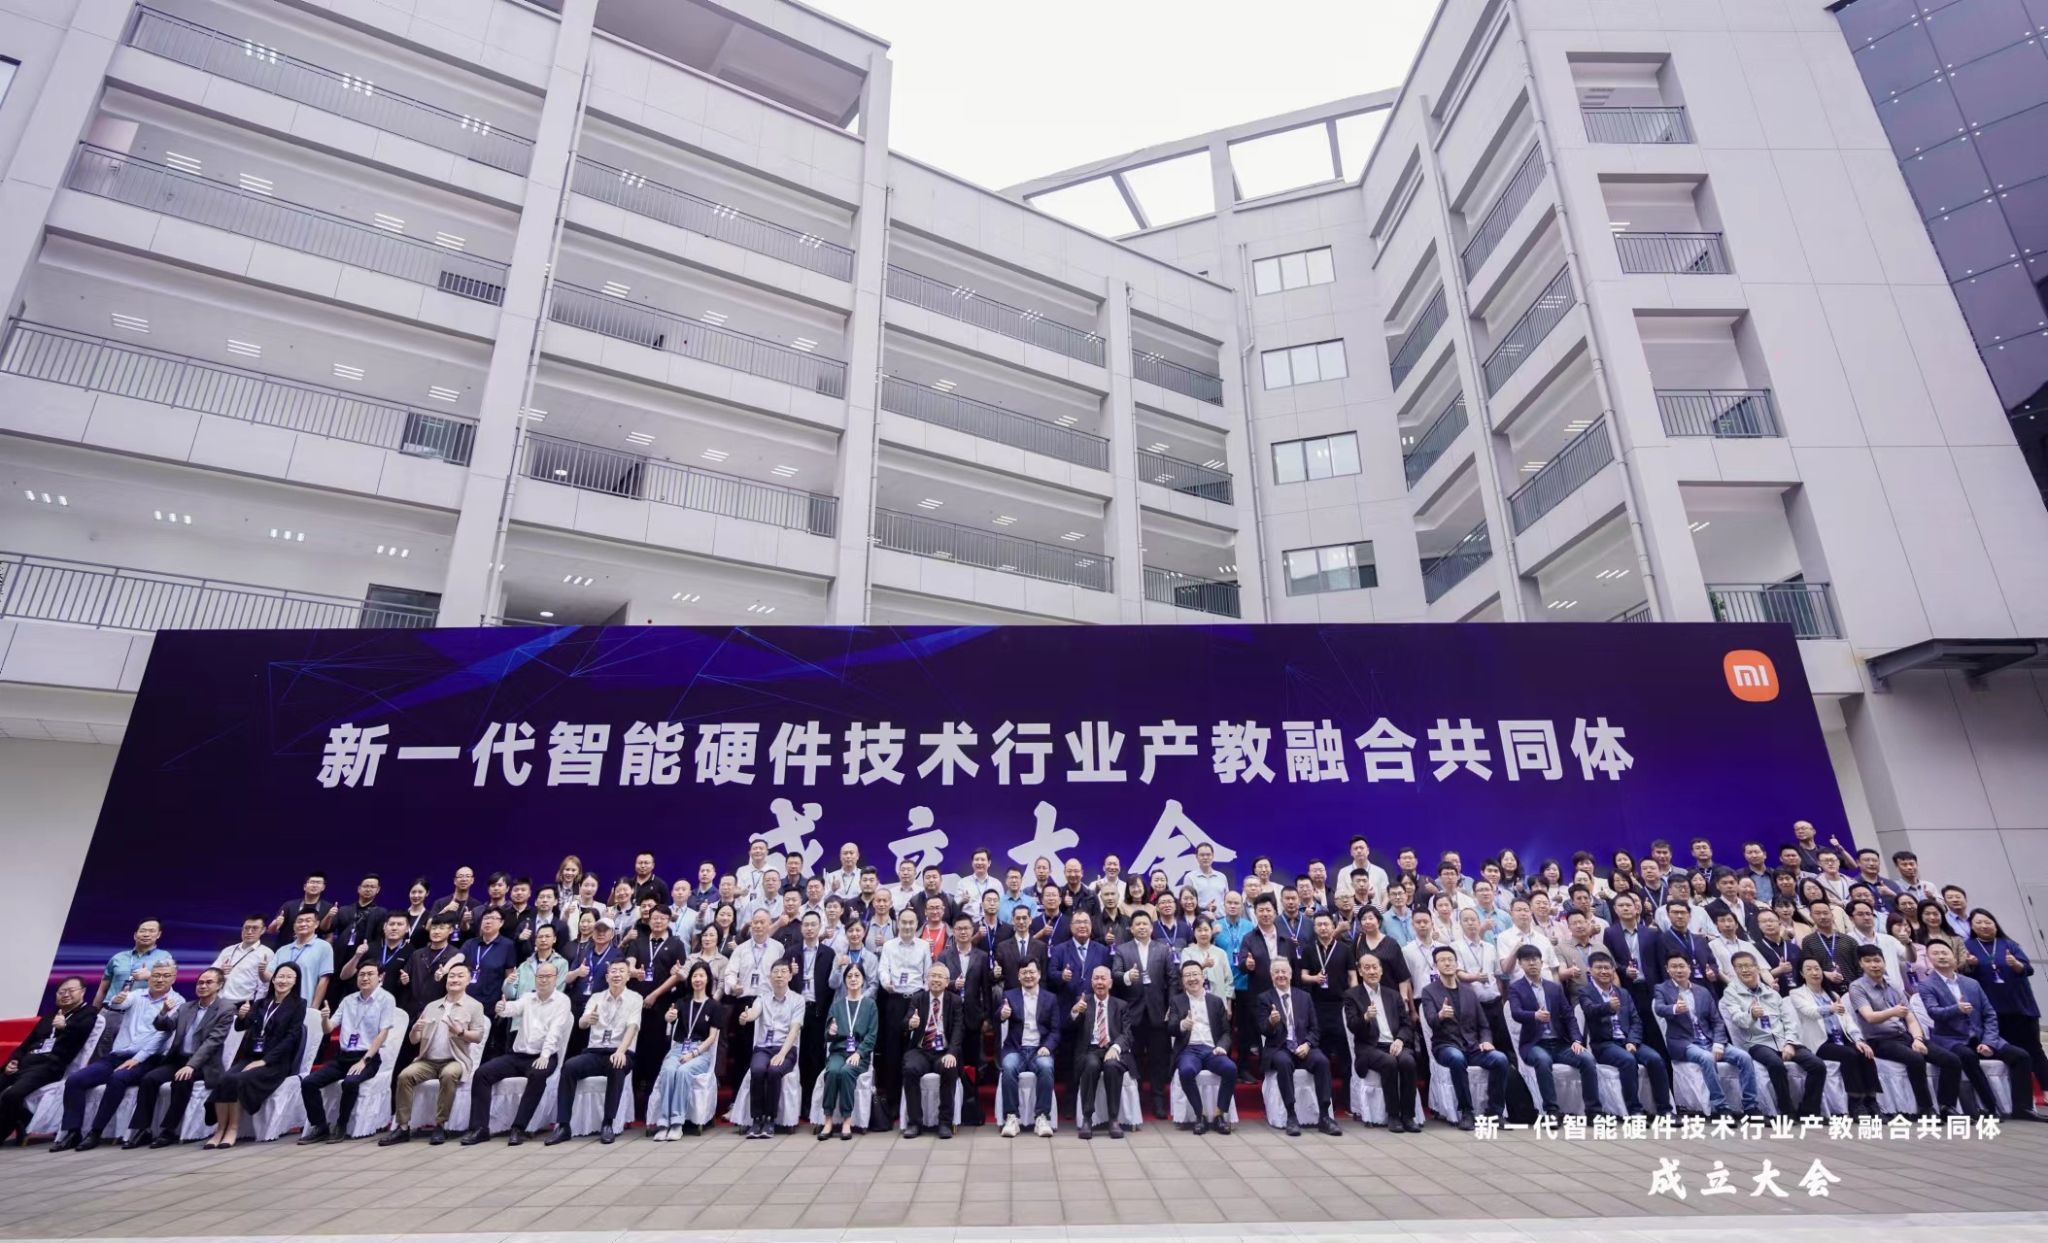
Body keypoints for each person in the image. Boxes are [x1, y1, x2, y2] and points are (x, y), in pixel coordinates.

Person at [51, 958, 182, 1151]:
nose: (160, 979)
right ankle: (72, 1132)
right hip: (117, 1055)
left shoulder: (177, 1002)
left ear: (174, 978)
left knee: (117, 1078)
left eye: (166, 976)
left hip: (147, 1058)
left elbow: (162, 1036)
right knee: (75, 1080)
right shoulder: (137, 995)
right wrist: (116, 1000)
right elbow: (120, 1003)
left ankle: (96, 1132)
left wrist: (137, 1059)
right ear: (149, 977)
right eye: (156, 975)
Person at [1919, 939, 2045, 1122]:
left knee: (2021, 1056)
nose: (1941, 956)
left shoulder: (1972, 983)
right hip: (1952, 1039)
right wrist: (1957, 1009)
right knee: (1968, 1056)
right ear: (1929, 959)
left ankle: (2023, 1107)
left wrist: (1989, 1042)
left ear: (1954, 957)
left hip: (1981, 1036)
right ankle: (1990, 1107)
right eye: (1935, 953)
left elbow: (1989, 1014)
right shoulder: (1927, 985)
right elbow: (1933, 1012)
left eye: (1944, 952)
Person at [383, 961, 487, 1146]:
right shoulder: (432, 1006)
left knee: (448, 1074)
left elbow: (478, 1036)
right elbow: (414, 1040)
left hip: (455, 1060)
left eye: (460, 976)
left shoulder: (474, 1006)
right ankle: (403, 1127)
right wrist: (415, 1029)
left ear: (469, 980)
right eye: (451, 976)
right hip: (428, 1061)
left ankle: (440, 1125)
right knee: (405, 1076)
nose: (454, 979)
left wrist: (461, 1032)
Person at [207, 962, 307, 1150]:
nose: (283, 981)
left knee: (238, 1080)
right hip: (252, 1057)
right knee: (224, 1079)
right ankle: (220, 1129)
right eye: (280, 976)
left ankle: (233, 1129)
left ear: (295, 982)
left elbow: (292, 1038)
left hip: (275, 1063)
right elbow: (241, 1027)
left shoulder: (298, 1005)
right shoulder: (261, 1003)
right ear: (273, 979)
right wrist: (242, 1016)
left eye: (289, 977)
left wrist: (265, 1061)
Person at [543, 959, 640, 1145]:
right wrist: (588, 1018)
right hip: (595, 1052)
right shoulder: (596, 997)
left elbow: (633, 1027)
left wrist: (621, 1051)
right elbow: (581, 1023)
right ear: (607, 976)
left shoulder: (635, 998)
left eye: (621, 971)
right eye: (613, 971)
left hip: (620, 1052)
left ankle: (608, 1123)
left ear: (628, 976)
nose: (617, 974)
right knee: (569, 1067)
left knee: (616, 1065)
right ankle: (563, 1125)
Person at [298, 960, 396, 1143]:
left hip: (367, 1057)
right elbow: (329, 1029)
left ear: (380, 977)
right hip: (342, 1057)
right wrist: (324, 1019)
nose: (365, 978)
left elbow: (382, 1034)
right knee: (309, 1082)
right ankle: (320, 1126)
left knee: (350, 1082)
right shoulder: (348, 1000)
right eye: (361, 974)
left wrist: (364, 1061)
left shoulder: (386, 999)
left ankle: (341, 1125)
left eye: (370, 974)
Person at [1718, 950, 1824, 1118]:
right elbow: (1738, 1020)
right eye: (1739, 967)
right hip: (1757, 1042)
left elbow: (1789, 1022)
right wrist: (1751, 1015)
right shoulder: (1731, 993)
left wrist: (1790, 1043)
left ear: (1757, 968)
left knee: (1818, 1065)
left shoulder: (1772, 993)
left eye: (1748, 966)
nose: (1744, 970)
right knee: (1776, 1064)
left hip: (1783, 1041)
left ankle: (1808, 1111)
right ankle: (1787, 1110)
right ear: (1734, 970)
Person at [1961, 907, 2048, 1103]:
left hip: (2021, 1006)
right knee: (2007, 1052)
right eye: (1979, 923)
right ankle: (2018, 1094)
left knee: (2034, 1049)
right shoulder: (1968, 946)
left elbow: (2028, 969)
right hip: (1993, 1010)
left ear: (1995, 924)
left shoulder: (2008, 944)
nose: (1984, 926)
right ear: (1972, 927)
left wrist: (2016, 964)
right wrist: (1971, 965)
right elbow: (1964, 976)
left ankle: (2046, 1089)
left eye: (1988, 922)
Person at [1653, 953, 1756, 1118]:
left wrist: (1718, 1042)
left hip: (1709, 1040)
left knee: (1744, 1057)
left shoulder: (1702, 991)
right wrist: (1674, 1008)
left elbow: (1717, 1021)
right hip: (1683, 1043)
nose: (1678, 970)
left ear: (1689, 968)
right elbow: (1659, 1008)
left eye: (1682, 966)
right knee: (1707, 1058)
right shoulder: (1662, 989)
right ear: (1667, 969)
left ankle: (1751, 1106)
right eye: (1674, 967)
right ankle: (1721, 1107)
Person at [1418, 944, 1509, 1130]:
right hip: (1446, 1045)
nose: (1447, 963)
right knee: (1457, 1058)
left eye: (1450, 960)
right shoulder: (1429, 991)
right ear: (1436, 966)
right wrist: (1441, 1015)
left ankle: (1495, 1112)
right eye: (1442, 960)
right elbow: (1430, 1020)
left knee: (1500, 1059)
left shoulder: (1469, 991)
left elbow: (1483, 1025)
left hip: (1472, 1046)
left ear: (1456, 963)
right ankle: (1467, 1111)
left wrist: (1486, 1041)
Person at [1506, 943, 1601, 1120]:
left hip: (1560, 1044)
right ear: (1520, 964)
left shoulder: (1554, 988)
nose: (1532, 963)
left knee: (1587, 1059)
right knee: (1543, 1061)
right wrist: (1534, 1015)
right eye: (1527, 960)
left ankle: (1593, 1111)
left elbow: (1569, 1016)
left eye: (1535, 959)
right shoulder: (1516, 988)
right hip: (1534, 1045)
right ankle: (1552, 1111)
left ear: (1542, 963)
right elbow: (1516, 1013)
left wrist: (1576, 1040)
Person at [1849, 943, 1936, 1118]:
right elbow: (1869, 1017)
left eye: (1877, 960)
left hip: (1904, 1036)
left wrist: (1917, 1039)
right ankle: (1925, 1108)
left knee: (1950, 1060)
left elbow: (1910, 1018)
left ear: (1884, 962)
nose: (1874, 965)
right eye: (1868, 961)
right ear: (1861, 964)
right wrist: (1893, 1012)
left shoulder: (1894, 985)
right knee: (1915, 1059)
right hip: (1879, 1040)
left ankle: (1947, 1106)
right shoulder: (1857, 987)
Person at [1578, 951, 1668, 1119]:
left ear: (1613, 970)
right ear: (1590, 970)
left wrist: (1632, 1041)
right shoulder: (1585, 992)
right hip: (1604, 1044)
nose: (1604, 971)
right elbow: (1589, 1010)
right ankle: (1634, 1110)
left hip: (1628, 1041)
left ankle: (1665, 1110)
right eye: (1599, 968)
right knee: (1627, 1060)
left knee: (1655, 1059)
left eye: (1607, 968)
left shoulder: (1623, 993)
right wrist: (1608, 1007)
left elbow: (1636, 1021)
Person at [1258, 958, 1338, 1137]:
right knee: (1283, 1062)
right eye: (1276, 972)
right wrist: (1271, 1022)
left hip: (1303, 1046)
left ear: (1290, 974)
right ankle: (1291, 1115)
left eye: (1284, 971)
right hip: (1280, 1048)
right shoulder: (1264, 998)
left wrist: (1308, 1044)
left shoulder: (1304, 997)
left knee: (1322, 1061)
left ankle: (1324, 1116)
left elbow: (1315, 1029)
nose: (1281, 975)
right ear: (1271, 976)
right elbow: (1263, 1029)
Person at [1111, 910, 1176, 1119]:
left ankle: (1158, 1100)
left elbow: (1172, 979)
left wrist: (1171, 1006)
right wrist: (1127, 977)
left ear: (1151, 927)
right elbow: (1115, 975)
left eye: (1145, 924)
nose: (1141, 927)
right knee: (1135, 1057)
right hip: (1133, 1012)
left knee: (1158, 1058)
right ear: (1131, 928)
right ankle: (1136, 1099)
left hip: (1158, 1012)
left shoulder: (1163, 949)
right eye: (1137, 924)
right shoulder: (1122, 950)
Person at [1343, 953, 1418, 1133]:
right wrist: (1365, 1018)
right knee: (1389, 1062)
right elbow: (1352, 1026)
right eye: (1367, 968)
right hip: (1369, 1047)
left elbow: (1407, 1025)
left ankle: (1408, 1116)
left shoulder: (1393, 994)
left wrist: (1400, 1040)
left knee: (1408, 1061)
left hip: (1394, 1044)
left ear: (1381, 970)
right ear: (1360, 972)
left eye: (1375, 967)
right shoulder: (1352, 995)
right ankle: (1393, 1116)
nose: (1371, 971)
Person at [873, 909, 929, 1130]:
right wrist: (886, 982)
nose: (907, 926)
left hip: (916, 1000)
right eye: (903, 922)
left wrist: (922, 994)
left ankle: (913, 1103)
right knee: (892, 1052)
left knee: (914, 1050)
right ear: (898, 923)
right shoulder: (889, 946)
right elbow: (883, 970)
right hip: (895, 1000)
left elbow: (927, 973)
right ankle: (894, 1102)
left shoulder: (923, 946)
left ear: (916, 925)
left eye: (911, 923)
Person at [1065, 964, 1133, 1139]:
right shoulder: (1083, 1001)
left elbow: (1127, 1034)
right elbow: (1069, 1028)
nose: (1100, 982)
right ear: (1091, 982)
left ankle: (1113, 1119)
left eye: (1103, 978)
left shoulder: (1121, 1005)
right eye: (1096, 978)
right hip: (1090, 1050)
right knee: (1091, 1065)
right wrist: (1074, 1012)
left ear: (1110, 983)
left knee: (1112, 1066)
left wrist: (1115, 1047)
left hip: (1113, 1049)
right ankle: (1087, 1118)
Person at [737, 959, 803, 1139]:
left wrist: (782, 1054)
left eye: (783, 972)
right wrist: (746, 1017)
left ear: (790, 976)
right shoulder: (762, 998)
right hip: (763, 1048)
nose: (779, 975)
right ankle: (756, 1119)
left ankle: (770, 1119)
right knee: (757, 1070)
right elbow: (754, 1013)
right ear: (770, 976)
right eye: (776, 972)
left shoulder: (798, 1000)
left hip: (786, 1049)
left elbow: (794, 1030)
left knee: (774, 1071)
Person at [997, 959, 1060, 1137]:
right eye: (1024, 972)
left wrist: (1047, 1046)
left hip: (1039, 1049)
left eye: (1032, 972)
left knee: (1046, 1067)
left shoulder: (1050, 998)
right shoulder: (1009, 995)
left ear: (1039, 974)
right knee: (1008, 1067)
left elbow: (1056, 1030)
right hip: (1016, 1048)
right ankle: (1012, 1117)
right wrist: (1002, 1014)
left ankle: (1042, 1117)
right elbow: (997, 1017)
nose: (1028, 976)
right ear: (1018, 976)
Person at [900, 961, 962, 1139]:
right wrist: (910, 1024)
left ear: (947, 981)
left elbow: (958, 1029)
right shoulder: (918, 999)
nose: (935, 979)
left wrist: (952, 1053)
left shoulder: (955, 1001)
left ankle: (945, 1122)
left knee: (949, 1068)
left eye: (940, 976)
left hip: (944, 1050)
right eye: (932, 976)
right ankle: (914, 1122)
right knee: (910, 1069)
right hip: (921, 1049)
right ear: (926, 979)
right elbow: (904, 1023)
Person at [814, 961, 872, 1141]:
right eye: (849, 976)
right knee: (832, 1071)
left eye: (857, 976)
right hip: (839, 1052)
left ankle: (847, 1120)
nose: (853, 979)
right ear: (845, 980)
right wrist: (831, 1032)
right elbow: (827, 1035)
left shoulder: (870, 1005)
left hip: (859, 1054)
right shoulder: (837, 1005)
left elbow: (872, 1036)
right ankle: (828, 1120)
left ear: (863, 980)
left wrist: (859, 1053)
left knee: (847, 1072)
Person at [94, 918, 172, 1007]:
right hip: (111, 1010)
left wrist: (149, 976)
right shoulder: (118, 957)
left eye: (151, 931)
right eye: (142, 931)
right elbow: (102, 989)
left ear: (158, 935)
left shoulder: (165, 957)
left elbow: (168, 985)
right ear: (135, 935)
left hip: (142, 1011)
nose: (146, 934)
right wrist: (93, 1012)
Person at [274, 910, 335, 1009]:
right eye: (299, 921)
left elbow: (324, 980)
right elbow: (270, 976)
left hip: (304, 1005)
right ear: (294, 926)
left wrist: (314, 1008)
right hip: (278, 1004)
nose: (303, 924)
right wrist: (262, 970)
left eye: (308, 921)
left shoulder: (324, 947)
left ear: (316, 924)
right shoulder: (283, 950)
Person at [210, 916, 276, 1006]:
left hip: (243, 1004)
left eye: (255, 928)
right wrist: (220, 971)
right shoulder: (228, 950)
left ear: (263, 930)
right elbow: (210, 974)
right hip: (218, 1001)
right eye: (246, 928)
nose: (249, 932)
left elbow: (265, 986)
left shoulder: (266, 953)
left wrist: (256, 1006)